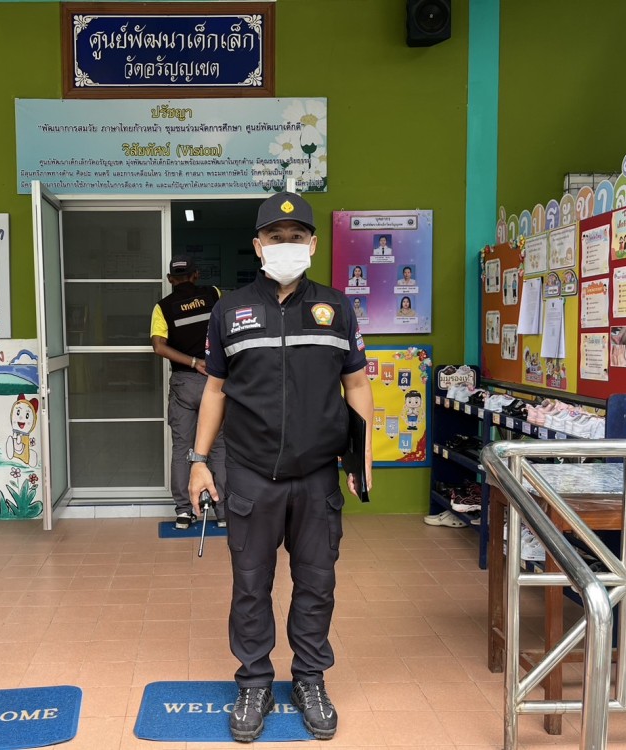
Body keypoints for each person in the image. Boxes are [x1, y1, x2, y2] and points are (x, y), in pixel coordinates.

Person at [188, 191, 374, 743]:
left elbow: (357, 385)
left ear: (313, 245)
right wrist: (199, 461)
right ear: (258, 245)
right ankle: (254, 682)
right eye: (276, 237)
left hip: (317, 477)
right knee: (251, 585)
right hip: (250, 475)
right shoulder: (229, 311)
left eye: (296, 237)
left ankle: (310, 679)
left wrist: (361, 456)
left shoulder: (337, 309)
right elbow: (215, 391)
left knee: (317, 584)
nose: (286, 244)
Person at [150, 255, 226, 530]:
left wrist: (193, 362)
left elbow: (159, 346)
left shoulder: (162, 307)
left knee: (183, 448)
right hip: (215, 382)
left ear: (171, 279)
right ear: (196, 275)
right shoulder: (214, 294)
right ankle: (223, 512)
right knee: (218, 446)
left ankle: (184, 512)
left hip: (184, 382)